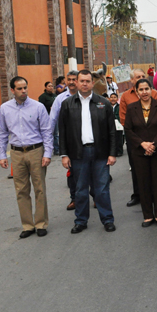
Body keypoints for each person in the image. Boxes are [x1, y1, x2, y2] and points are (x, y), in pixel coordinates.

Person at [59, 69, 117, 234]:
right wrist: (64, 155)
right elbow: (62, 132)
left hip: (100, 153)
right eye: (81, 81)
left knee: (102, 189)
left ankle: (107, 220)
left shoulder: (103, 103)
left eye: (87, 81)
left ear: (93, 83)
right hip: (78, 154)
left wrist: (112, 153)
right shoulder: (67, 104)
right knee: (80, 190)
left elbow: (111, 131)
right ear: (76, 83)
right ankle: (81, 221)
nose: (84, 84)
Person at [0, 76, 53, 239]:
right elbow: (2, 133)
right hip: (16, 152)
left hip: (36, 150)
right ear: (12, 90)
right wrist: (2, 155)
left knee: (39, 188)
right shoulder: (5, 109)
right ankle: (28, 225)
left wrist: (47, 154)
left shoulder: (38, 107)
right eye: (20, 89)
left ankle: (41, 223)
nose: (23, 91)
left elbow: (46, 132)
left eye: (25, 88)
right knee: (21, 190)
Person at [124, 79, 157, 227]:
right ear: (137, 92)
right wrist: (142, 144)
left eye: (147, 89)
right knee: (143, 183)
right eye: (141, 90)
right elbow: (128, 129)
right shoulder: (132, 108)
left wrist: (154, 145)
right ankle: (148, 215)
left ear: (152, 90)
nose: (144, 92)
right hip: (139, 151)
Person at [120, 68, 157, 207]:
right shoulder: (126, 96)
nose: (141, 78)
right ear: (132, 80)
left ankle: (154, 195)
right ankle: (138, 194)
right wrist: (140, 141)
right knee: (137, 168)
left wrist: (151, 141)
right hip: (135, 139)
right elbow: (124, 119)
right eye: (138, 77)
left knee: (154, 168)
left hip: (153, 138)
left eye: (143, 76)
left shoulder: (154, 93)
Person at [49, 70, 79, 204]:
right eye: (69, 79)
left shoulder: (87, 96)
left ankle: (95, 197)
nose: (71, 82)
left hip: (88, 140)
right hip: (69, 141)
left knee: (91, 171)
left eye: (74, 79)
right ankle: (74, 199)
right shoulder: (60, 99)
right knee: (72, 172)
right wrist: (48, 143)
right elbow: (52, 120)